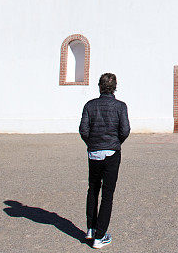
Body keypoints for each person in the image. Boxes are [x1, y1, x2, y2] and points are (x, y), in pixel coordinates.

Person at [79, 72, 130, 249]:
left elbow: (83, 130)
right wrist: (115, 143)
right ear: (115, 87)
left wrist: (93, 143)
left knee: (92, 190)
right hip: (112, 154)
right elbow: (125, 130)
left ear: (99, 86)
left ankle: (91, 229)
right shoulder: (120, 106)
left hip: (94, 153)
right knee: (107, 195)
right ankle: (100, 237)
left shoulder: (90, 105)